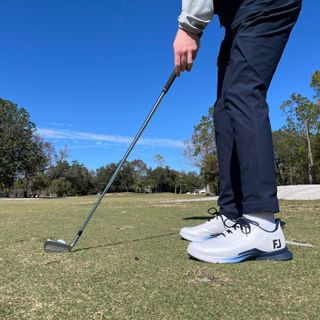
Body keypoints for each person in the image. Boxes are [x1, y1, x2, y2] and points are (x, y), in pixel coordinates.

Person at [174, 0, 302, 263]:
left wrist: (189, 27)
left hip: (266, 3)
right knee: (224, 108)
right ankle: (232, 214)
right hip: (238, 17)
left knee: (243, 92)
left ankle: (262, 223)